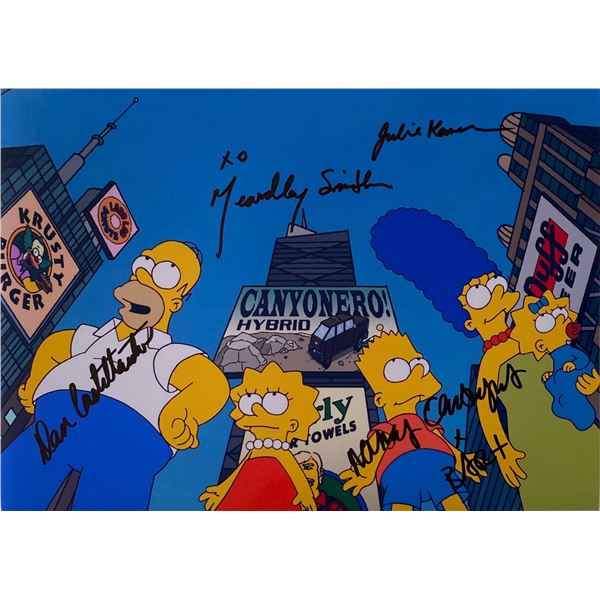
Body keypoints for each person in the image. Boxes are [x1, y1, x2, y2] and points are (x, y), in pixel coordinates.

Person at [2, 240, 230, 510]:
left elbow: (210, 382)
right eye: (144, 264)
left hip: (130, 444)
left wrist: (180, 412)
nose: (144, 276)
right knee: (15, 484)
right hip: (52, 429)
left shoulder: (164, 354)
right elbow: (54, 347)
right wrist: (36, 383)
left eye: (165, 273)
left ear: (176, 301)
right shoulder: (92, 337)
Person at [340, 327, 486, 511]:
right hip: (400, 471)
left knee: (454, 504)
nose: (418, 370)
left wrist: (464, 462)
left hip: (437, 465)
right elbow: (375, 449)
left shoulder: (428, 426)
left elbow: (446, 445)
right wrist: (364, 473)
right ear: (379, 399)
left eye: (419, 363)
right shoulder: (387, 430)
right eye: (398, 370)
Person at [200, 362, 320, 511]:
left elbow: (292, 468)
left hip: (276, 493)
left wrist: (304, 492)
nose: (256, 409)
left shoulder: (280, 452)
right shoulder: (255, 450)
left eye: (275, 403)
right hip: (247, 489)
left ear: (293, 425)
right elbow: (241, 468)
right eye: (249, 401)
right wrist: (222, 489)